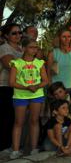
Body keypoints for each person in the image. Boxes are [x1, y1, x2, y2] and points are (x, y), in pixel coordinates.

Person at [9, 36, 48, 159]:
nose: (34, 50)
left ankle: (34, 148)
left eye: (36, 47)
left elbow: (45, 80)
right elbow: (12, 82)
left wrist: (36, 86)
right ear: (24, 48)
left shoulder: (39, 63)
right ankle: (15, 150)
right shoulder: (17, 63)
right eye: (31, 47)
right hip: (20, 95)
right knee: (18, 122)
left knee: (34, 121)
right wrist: (27, 87)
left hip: (36, 94)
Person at [0, 23, 24, 151]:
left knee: (16, 118)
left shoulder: (22, 48)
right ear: (6, 36)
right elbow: (10, 64)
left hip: (20, 87)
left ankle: (13, 145)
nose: (18, 35)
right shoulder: (4, 48)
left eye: (20, 32)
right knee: (6, 117)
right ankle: (4, 147)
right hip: (5, 86)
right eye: (14, 33)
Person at [48, 28, 71, 92]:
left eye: (69, 37)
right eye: (64, 37)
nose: (67, 39)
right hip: (58, 88)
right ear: (59, 38)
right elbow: (49, 72)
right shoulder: (52, 53)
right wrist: (51, 87)